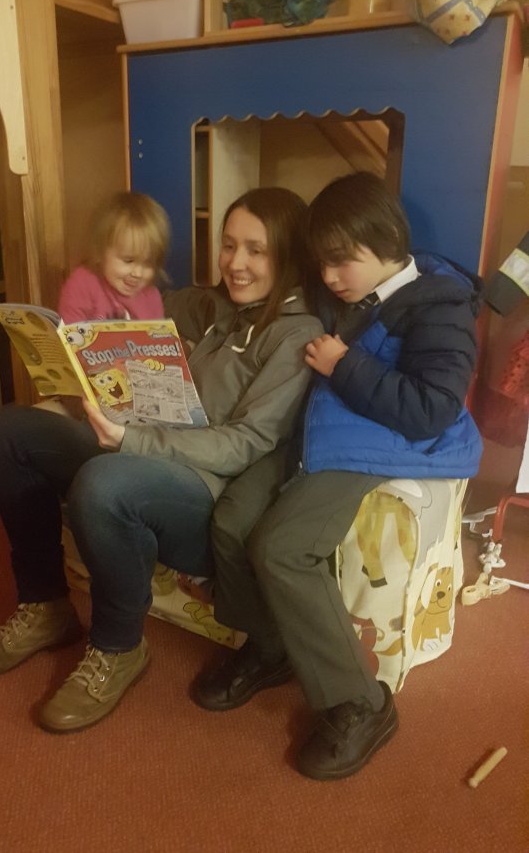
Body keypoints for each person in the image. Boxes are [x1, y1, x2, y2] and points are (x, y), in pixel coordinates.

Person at [0, 186, 323, 734]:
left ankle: (118, 647)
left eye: (256, 250)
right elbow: (131, 302)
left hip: (206, 489)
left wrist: (132, 440)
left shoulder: (298, 335)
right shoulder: (217, 305)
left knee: (104, 482)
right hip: (145, 444)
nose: (235, 263)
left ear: (288, 256)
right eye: (228, 245)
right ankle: (44, 606)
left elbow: (245, 444)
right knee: (12, 432)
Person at [192, 171, 483, 781]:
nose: (328, 276)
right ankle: (269, 644)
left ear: (387, 243)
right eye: (321, 262)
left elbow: (432, 409)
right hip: (323, 431)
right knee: (232, 517)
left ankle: (362, 702)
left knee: (283, 547)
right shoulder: (349, 291)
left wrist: (345, 365)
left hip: (383, 445)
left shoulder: (439, 305)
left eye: (341, 260)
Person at [57, 191, 168, 323]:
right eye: (128, 260)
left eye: (148, 264)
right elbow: (70, 331)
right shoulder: (82, 284)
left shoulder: (151, 296)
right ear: (100, 252)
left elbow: (158, 334)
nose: (138, 273)